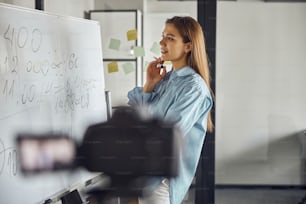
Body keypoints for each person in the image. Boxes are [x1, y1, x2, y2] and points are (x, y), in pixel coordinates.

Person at [127, 16, 214, 204]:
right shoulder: (167, 79)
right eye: (163, 36)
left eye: (170, 38)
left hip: (160, 180)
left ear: (188, 46)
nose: (161, 42)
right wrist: (149, 85)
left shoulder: (194, 88)